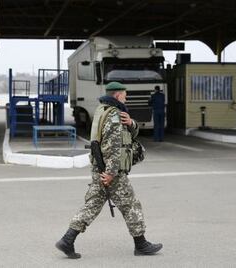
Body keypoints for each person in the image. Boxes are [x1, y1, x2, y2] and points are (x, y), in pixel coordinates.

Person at [55, 82, 162, 259]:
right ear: (118, 95)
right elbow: (113, 146)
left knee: (93, 204)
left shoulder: (102, 110)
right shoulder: (114, 115)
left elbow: (126, 135)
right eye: (125, 95)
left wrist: (131, 123)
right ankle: (141, 244)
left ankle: (67, 240)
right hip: (112, 171)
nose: (126, 98)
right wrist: (111, 173)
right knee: (130, 204)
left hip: (100, 168)